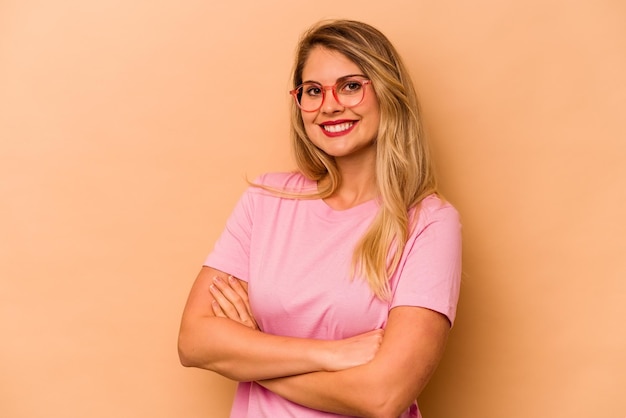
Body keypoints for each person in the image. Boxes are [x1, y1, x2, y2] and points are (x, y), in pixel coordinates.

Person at [178, 19, 462, 418]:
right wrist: (331, 355)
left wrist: (249, 352)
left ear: (387, 92)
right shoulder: (265, 199)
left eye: (350, 85)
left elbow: (381, 397)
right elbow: (194, 341)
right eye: (313, 91)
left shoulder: (430, 224)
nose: (329, 105)